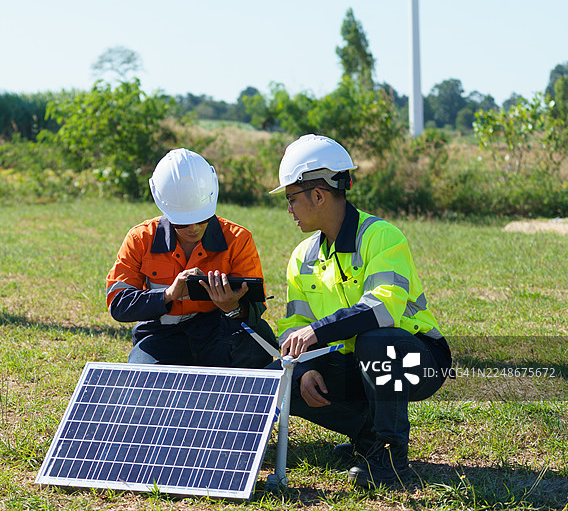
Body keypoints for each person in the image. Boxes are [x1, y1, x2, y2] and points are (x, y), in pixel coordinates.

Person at [270, 134, 452, 488]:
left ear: (318, 195)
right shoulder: (301, 256)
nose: (289, 209)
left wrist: (317, 332)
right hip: (354, 364)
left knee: (376, 340)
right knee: (284, 374)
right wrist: (304, 368)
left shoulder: (381, 236)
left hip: (415, 359)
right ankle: (367, 436)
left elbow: (383, 310)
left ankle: (389, 458)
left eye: (292, 199)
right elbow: (295, 324)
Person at [106, 148, 277, 368]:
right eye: (182, 222)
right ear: (162, 205)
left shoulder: (238, 239)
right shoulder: (140, 238)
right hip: (161, 337)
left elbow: (255, 307)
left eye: (202, 218)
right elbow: (118, 304)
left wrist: (231, 307)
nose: (193, 228)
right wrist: (168, 295)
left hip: (221, 331)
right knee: (144, 378)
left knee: (255, 351)